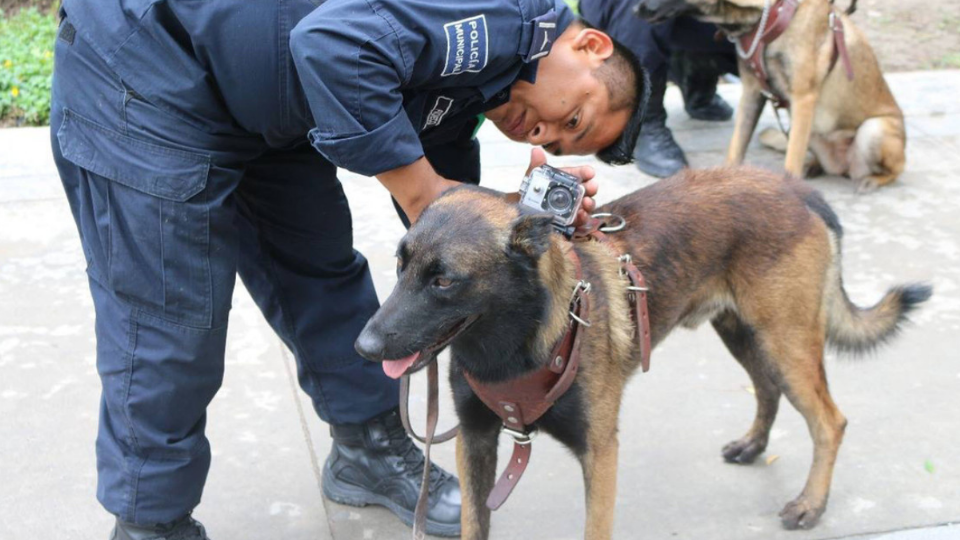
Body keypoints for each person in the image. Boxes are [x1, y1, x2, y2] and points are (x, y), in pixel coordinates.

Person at [49, 0, 647, 538]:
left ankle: (366, 448)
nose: (542, 133)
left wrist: (511, 221)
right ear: (589, 45)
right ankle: (151, 521)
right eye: (575, 119)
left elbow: (442, 184)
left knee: (320, 273)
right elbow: (331, 44)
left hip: (269, 109)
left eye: (560, 145)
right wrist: (422, 197)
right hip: (146, 78)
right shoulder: (495, 19)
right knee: (168, 320)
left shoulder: (489, 78)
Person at [580, 0, 738, 177]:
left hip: (690, 16)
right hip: (624, 12)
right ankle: (641, 120)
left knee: (759, 16)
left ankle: (694, 75)